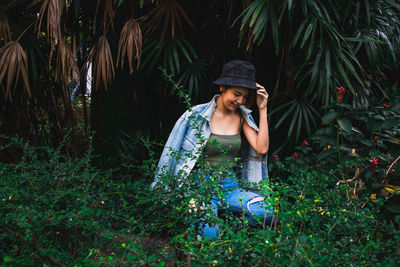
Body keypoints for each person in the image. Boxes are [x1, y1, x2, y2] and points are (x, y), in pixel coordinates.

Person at [152, 60, 275, 237]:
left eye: (245, 97)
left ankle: (225, 219)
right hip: (200, 187)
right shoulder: (195, 115)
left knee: (267, 212)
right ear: (222, 88)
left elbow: (261, 148)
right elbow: (171, 155)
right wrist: (185, 193)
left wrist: (262, 109)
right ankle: (205, 218)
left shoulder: (242, 117)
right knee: (209, 237)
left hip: (230, 186)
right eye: (236, 94)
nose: (240, 101)